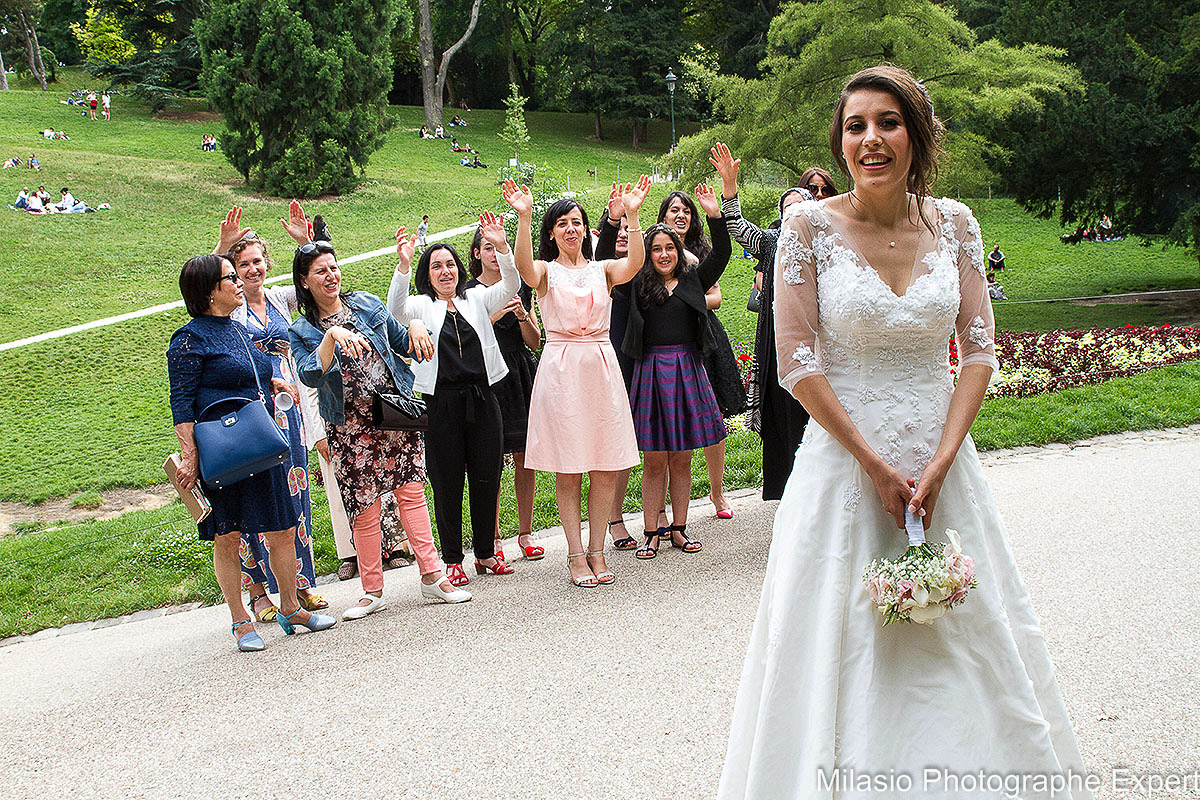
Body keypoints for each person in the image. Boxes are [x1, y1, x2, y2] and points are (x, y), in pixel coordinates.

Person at [718, 65, 1090, 795]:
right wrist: (872, 463)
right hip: (845, 469)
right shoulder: (807, 228)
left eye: (887, 122)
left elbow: (978, 350)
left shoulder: (956, 224)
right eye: (855, 126)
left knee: (967, 637)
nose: (871, 139)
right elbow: (795, 360)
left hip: (942, 464)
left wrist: (943, 460)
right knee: (839, 639)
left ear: (915, 135)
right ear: (840, 142)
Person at [289, 240, 471, 618]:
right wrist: (331, 337)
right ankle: (372, 591)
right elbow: (309, 374)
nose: (331, 276)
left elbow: (405, 343)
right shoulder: (302, 329)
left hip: (393, 414)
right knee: (364, 507)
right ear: (304, 281)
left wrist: (417, 324)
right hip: (349, 427)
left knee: (411, 493)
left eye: (333, 268)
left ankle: (433, 576)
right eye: (321, 271)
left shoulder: (366, 304)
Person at [167, 254, 337, 651]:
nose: (239, 283)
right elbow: (182, 406)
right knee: (227, 537)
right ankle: (241, 622)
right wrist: (190, 458)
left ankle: (291, 608)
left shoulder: (238, 329)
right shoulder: (188, 340)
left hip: (260, 446)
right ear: (210, 292)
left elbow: (254, 371)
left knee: (283, 529)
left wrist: (276, 381)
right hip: (223, 453)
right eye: (230, 278)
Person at [503, 177, 649, 587]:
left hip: (601, 366)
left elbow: (635, 264)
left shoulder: (604, 270)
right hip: (561, 370)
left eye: (577, 222)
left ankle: (597, 550)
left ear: (586, 229)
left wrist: (632, 215)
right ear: (552, 232)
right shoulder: (546, 272)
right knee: (568, 469)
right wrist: (524, 217)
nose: (571, 229)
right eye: (562, 223)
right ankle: (574, 554)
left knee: (604, 465)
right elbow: (525, 269)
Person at [387, 215, 518, 587]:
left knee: (486, 477)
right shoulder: (420, 306)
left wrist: (502, 247)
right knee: (447, 483)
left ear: (459, 269)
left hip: (483, 398)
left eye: (449, 264)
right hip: (441, 403)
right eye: (436, 267)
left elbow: (512, 284)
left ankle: (486, 553)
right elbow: (395, 310)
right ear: (427, 275)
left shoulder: (475, 297)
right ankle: (452, 559)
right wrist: (403, 264)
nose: (445, 272)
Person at [214, 205, 328, 619]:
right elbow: (200, 289)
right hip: (249, 408)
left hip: (288, 409)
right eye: (242, 264)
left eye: (257, 261)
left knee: (295, 494)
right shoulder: (228, 307)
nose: (252, 270)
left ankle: (300, 586)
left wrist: (306, 242)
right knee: (251, 496)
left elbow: (317, 283)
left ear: (267, 262)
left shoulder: (281, 298)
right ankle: (259, 592)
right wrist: (221, 248)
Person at [622, 185, 731, 560]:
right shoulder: (637, 283)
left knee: (682, 457)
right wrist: (628, 216)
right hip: (651, 371)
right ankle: (651, 532)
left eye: (670, 248)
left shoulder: (693, 280)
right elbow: (609, 260)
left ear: (679, 251)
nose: (664, 254)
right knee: (654, 460)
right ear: (647, 253)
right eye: (656, 249)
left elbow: (723, 253)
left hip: (687, 370)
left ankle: (680, 529)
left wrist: (715, 215)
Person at [709, 142, 818, 501]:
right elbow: (737, 227)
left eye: (800, 207)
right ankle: (788, 498)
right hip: (776, 349)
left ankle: (819, 495)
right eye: (787, 209)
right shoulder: (771, 243)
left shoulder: (825, 245)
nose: (793, 214)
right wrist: (729, 186)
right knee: (781, 421)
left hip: (817, 350)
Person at [657, 190, 745, 518]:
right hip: (668, 345)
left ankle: (717, 493)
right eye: (674, 210)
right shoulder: (654, 252)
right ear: (663, 216)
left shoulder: (701, 251)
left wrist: (681, 301)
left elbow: (716, 298)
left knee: (713, 418)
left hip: (705, 337)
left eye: (687, 211)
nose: (681, 215)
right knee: (669, 425)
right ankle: (662, 505)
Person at [465, 224, 544, 562]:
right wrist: (495, 315)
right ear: (477, 254)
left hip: (520, 373)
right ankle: (493, 537)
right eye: (487, 248)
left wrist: (524, 315)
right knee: (490, 460)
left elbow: (535, 342)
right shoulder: (467, 292)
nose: (494, 255)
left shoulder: (520, 286)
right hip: (487, 377)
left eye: (498, 248)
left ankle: (526, 533)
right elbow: (465, 340)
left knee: (526, 457)